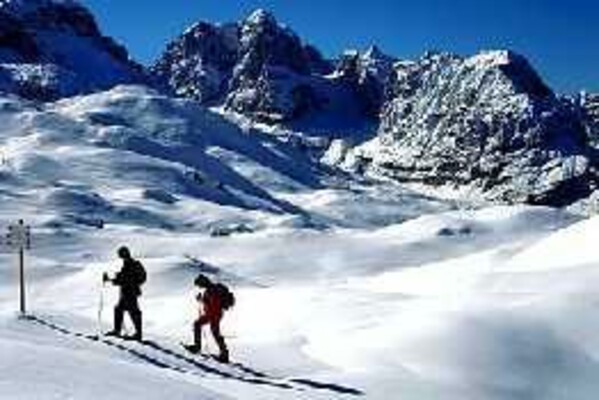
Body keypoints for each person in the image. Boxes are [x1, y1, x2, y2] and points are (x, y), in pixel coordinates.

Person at [104, 246, 146, 341]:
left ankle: (137, 334)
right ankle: (118, 330)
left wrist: (115, 280)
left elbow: (126, 279)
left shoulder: (131, 264)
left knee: (133, 312)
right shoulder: (129, 264)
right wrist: (113, 279)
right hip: (128, 292)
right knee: (120, 309)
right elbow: (125, 279)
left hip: (129, 292)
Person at [186, 274, 231, 363]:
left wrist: (202, 300)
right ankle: (223, 353)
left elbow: (213, 304)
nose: (199, 287)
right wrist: (202, 300)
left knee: (213, 331)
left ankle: (223, 354)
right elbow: (211, 302)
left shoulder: (211, 290)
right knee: (201, 326)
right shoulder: (211, 289)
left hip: (213, 314)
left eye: (199, 285)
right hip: (214, 314)